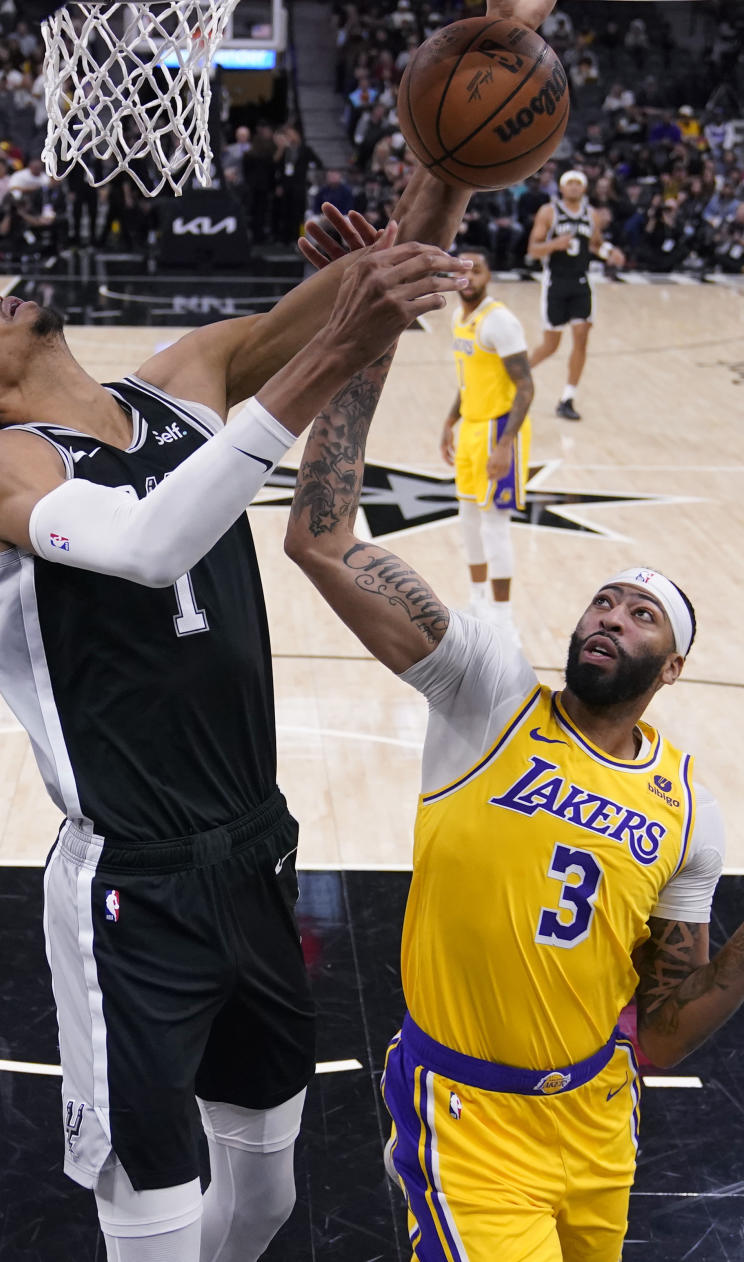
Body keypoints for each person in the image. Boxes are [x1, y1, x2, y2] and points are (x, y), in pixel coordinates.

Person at [0, 177, 473, 1259]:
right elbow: (147, 543)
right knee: (156, 1225)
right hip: (132, 882)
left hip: (255, 846)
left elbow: (391, 282)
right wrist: (323, 352)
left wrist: (443, 172)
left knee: (263, 1198)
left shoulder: (187, 377)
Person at [289, 207, 738, 1262]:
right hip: (468, 1116)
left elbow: (668, 1022)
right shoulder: (489, 694)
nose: (607, 615)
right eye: (602, 599)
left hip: (596, 1119)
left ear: (669, 667)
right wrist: (366, 330)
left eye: (639, 614)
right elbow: (320, 537)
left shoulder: (688, 807)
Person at [440, 245, 533, 640]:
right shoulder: (459, 318)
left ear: (488, 276)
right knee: (468, 519)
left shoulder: (500, 322)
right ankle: (477, 601)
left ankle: (504, 616)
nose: (468, 277)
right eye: (462, 271)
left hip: (499, 430)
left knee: (495, 525)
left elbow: (526, 387)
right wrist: (449, 422)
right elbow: (469, 380)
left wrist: (505, 445)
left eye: (476, 270)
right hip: (471, 429)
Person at [527, 169, 625, 421]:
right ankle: (514, 376)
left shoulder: (591, 215)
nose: (573, 187)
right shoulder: (549, 212)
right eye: (569, 183)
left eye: (577, 184)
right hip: (555, 283)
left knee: (581, 336)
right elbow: (533, 249)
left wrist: (609, 252)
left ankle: (567, 398)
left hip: (581, 282)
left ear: (584, 189)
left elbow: (595, 244)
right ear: (561, 188)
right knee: (551, 345)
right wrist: (554, 245)